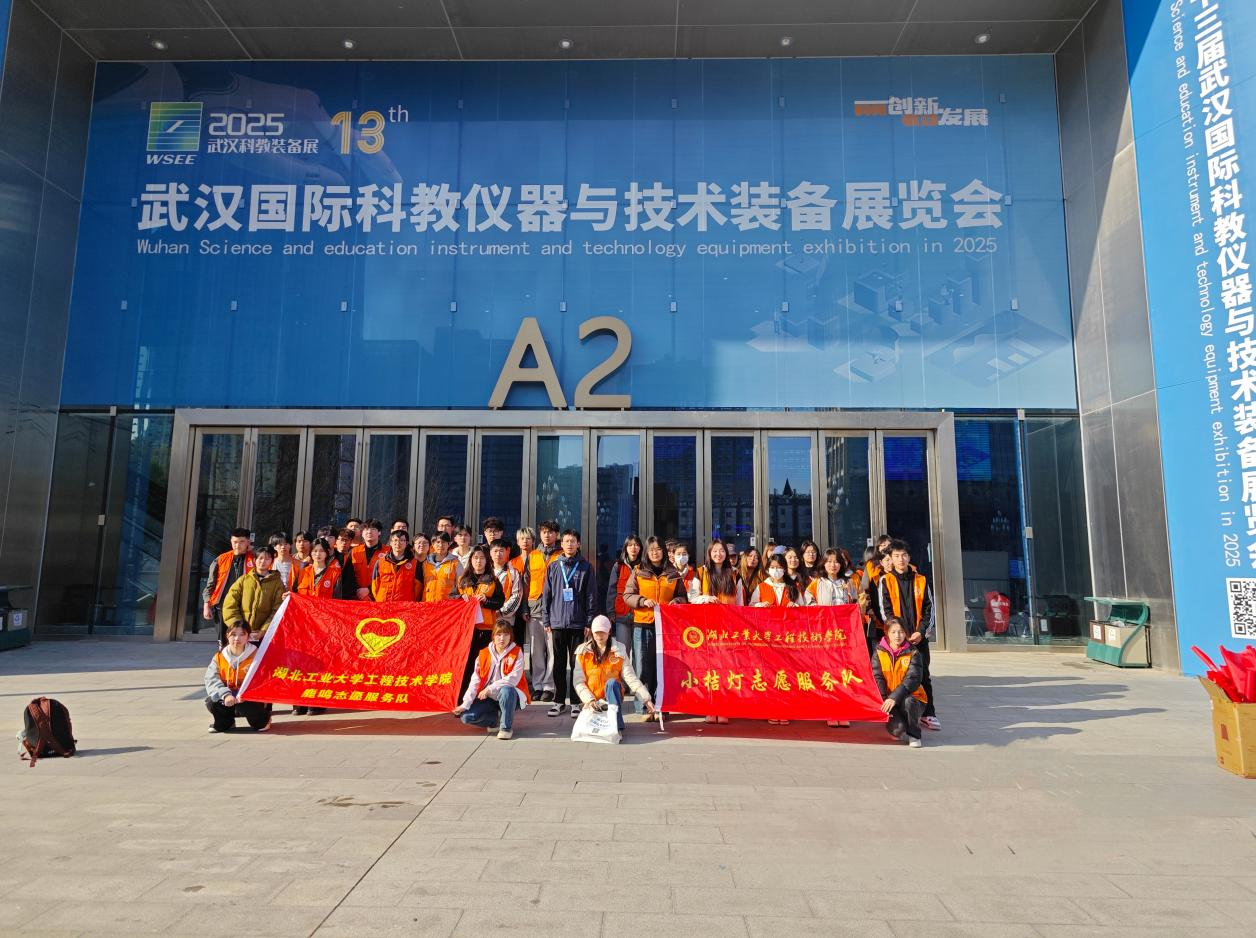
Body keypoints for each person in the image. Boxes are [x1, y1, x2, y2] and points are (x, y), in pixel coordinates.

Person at [623, 536, 687, 721]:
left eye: (658, 549)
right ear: (646, 552)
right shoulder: (638, 571)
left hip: (666, 627)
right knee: (643, 667)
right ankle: (644, 708)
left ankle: (661, 707)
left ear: (664, 552)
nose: (655, 553)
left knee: (663, 668)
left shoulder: (673, 573)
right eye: (651, 549)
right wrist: (642, 601)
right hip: (643, 624)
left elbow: (683, 597)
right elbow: (627, 595)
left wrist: (677, 601)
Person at [878, 539, 939, 731]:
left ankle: (929, 713)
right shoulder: (885, 580)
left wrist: (921, 631)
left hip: (918, 638)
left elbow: (929, 608)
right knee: (896, 675)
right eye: (896, 556)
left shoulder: (921, 579)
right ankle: (894, 711)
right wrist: (897, 634)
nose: (900, 559)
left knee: (923, 675)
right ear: (890, 558)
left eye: (904, 555)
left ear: (909, 557)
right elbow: (885, 611)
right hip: (897, 639)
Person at [540, 528, 597, 718]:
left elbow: (591, 596)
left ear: (578, 544)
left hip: (578, 623)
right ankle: (558, 701)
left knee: (576, 664)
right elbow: (546, 595)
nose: (570, 544)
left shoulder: (586, 567)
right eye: (566, 541)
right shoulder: (553, 566)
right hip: (556, 622)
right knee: (558, 664)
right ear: (561, 544)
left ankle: (575, 702)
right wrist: (546, 619)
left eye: (573, 541)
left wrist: (589, 621)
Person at [572, 614, 656, 738]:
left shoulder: (619, 650)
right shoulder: (582, 651)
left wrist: (646, 699)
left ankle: (616, 724)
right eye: (596, 633)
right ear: (592, 633)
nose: (599, 636)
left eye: (603, 632)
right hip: (592, 699)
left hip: (612, 697)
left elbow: (630, 678)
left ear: (609, 632)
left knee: (612, 683)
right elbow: (578, 681)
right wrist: (589, 700)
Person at [453, 621, 530, 740]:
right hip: (488, 699)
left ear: (510, 636)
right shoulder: (483, 654)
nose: (502, 638)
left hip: (510, 696)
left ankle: (506, 728)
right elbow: (475, 681)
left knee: (507, 690)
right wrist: (465, 704)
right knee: (466, 716)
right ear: (493, 636)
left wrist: (489, 688)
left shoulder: (517, 652)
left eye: (506, 634)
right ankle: (495, 720)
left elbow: (513, 679)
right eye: (498, 634)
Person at [808, 548, 857, 728]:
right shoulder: (816, 583)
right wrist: (819, 611)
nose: (833, 565)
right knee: (827, 672)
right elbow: (808, 602)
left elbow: (856, 605)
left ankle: (843, 711)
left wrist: (852, 599)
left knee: (843, 672)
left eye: (836, 561)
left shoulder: (848, 582)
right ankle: (830, 710)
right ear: (823, 564)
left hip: (844, 635)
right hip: (825, 634)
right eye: (829, 561)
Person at [517, 522, 561, 702]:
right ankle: (537, 686)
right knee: (536, 651)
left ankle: (549, 686)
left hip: (555, 609)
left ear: (557, 535)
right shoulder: (533, 555)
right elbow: (525, 583)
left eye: (550, 532)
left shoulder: (561, 555)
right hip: (535, 607)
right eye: (544, 532)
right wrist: (524, 608)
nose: (547, 535)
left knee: (552, 650)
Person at [457, 545, 507, 696]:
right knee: (466, 663)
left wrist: (486, 600)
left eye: (482, 558)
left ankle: (482, 694)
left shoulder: (493, 580)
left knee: (484, 663)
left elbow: (500, 602)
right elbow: (452, 599)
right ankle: (464, 695)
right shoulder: (462, 581)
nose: (478, 561)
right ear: (471, 560)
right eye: (475, 558)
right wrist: (460, 598)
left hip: (486, 629)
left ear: (487, 561)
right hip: (467, 630)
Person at [204, 622, 271, 732]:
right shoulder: (219, 657)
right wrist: (226, 695)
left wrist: (246, 693)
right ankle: (226, 723)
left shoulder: (257, 655)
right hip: (228, 697)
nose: (237, 638)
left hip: (248, 698)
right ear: (227, 636)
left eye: (242, 634)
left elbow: (266, 680)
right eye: (233, 634)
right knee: (212, 701)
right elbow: (211, 679)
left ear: (248, 637)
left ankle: (264, 720)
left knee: (257, 720)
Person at [871, 617, 927, 747]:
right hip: (889, 700)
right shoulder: (879, 652)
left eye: (901, 632)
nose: (898, 636)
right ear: (887, 633)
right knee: (897, 730)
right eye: (893, 632)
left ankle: (914, 735)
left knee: (909, 702)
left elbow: (913, 678)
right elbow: (877, 677)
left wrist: (894, 698)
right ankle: (904, 722)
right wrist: (884, 700)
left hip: (914, 698)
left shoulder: (913, 652)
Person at [201, 527, 254, 646]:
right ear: (231, 541)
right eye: (235, 542)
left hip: (245, 607)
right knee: (224, 640)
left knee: (243, 640)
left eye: (242, 542)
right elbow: (211, 584)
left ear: (248, 542)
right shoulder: (221, 559)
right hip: (222, 606)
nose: (238, 545)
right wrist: (206, 604)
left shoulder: (255, 559)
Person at [221, 544, 285, 640]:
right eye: (260, 558)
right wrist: (240, 628)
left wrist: (263, 631)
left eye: (267, 559)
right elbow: (230, 605)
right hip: (240, 635)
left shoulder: (277, 583)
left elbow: (278, 610)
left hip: (265, 637)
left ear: (272, 561)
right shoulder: (243, 580)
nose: (263, 561)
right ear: (254, 560)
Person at [605, 534, 643, 652]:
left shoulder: (644, 567)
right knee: (622, 651)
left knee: (639, 652)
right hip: (622, 614)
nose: (633, 548)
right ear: (625, 548)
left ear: (640, 548)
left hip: (640, 615)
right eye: (630, 545)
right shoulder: (618, 566)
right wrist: (610, 612)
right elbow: (612, 590)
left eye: (636, 545)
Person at [490, 538, 525, 647]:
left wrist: (501, 612)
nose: (498, 554)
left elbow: (517, 596)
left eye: (501, 551)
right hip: (486, 619)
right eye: (495, 551)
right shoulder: (485, 572)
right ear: (490, 553)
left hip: (506, 620)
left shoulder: (513, 573)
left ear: (507, 552)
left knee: (506, 648)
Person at [371, 529, 423, 602]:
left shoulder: (415, 563)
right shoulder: (380, 562)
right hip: (383, 603)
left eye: (401, 540)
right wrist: (380, 598)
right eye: (395, 540)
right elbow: (375, 585)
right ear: (390, 543)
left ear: (406, 543)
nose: (398, 543)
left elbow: (418, 587)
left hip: (405, 604)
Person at [345, 518, 388, 600]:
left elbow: (388, 577)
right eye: (366, 529)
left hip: (378, 597)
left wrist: (369, 590)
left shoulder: (388, 552)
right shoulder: (354, 552)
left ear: (379, 532)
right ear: (362, 533)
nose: (369, 532)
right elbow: (348, 576)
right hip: (356, 597)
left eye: (373, 529)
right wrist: (359, 591)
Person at [689, 539, 742, 606]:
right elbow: (691, 597)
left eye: (722, 551)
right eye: (715, 551)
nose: (718, 554)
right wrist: (706, 599)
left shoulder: (735, 573)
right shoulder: (700, 572)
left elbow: (740, 601)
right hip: (707, 612)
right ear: (709, 553)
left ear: (726, 553)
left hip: (728, 612)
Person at [423, 531, 459, 602]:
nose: (440, 545)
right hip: (427, 603)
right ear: (433, 544)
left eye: (443, 542)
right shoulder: (426, 563)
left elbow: (461, 586)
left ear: (448, 544)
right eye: (438, 542)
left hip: (447, 605)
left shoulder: (455, 563)